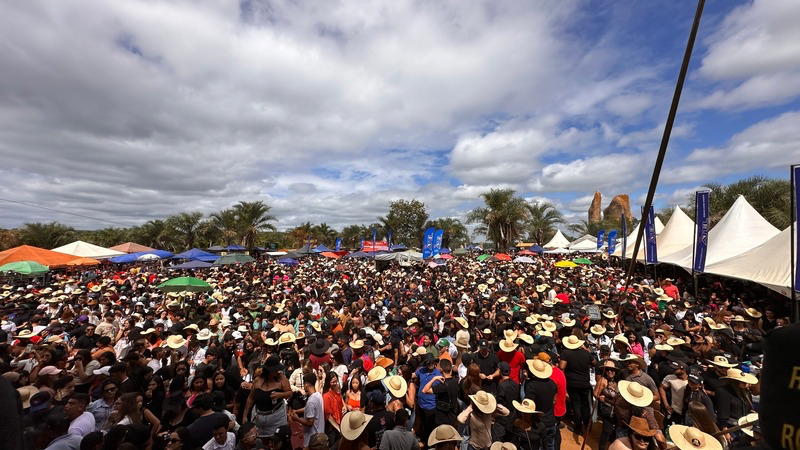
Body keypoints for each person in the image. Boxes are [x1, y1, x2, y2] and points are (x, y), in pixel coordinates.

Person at [244, 355, 291, 439]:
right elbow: (250, 398)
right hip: (259, 417)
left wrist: (280, 395)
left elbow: (290, 393)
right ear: (269, 370)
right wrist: (245, 415)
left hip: (277, 417)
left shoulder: (281, 379)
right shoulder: (258, 380)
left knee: (278, 440)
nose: (277, 371)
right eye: (275, 370)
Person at [559, 335, 595, 435]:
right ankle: (588, 426)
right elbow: (594, 362)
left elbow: (562, 367)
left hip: (572, 383)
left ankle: (578, 428)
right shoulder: (585, 353)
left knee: (576, 405)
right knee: (585, 405)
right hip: (585, 383)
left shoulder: (565, 353)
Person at [290, 372, 324, 448]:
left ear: (306, 384)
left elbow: (310, 422)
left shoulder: (311, 401)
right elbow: (309, 409)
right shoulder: (318, 395)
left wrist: (297, 419)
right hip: (320, 436)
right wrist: (297, 411)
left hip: (311, 440)